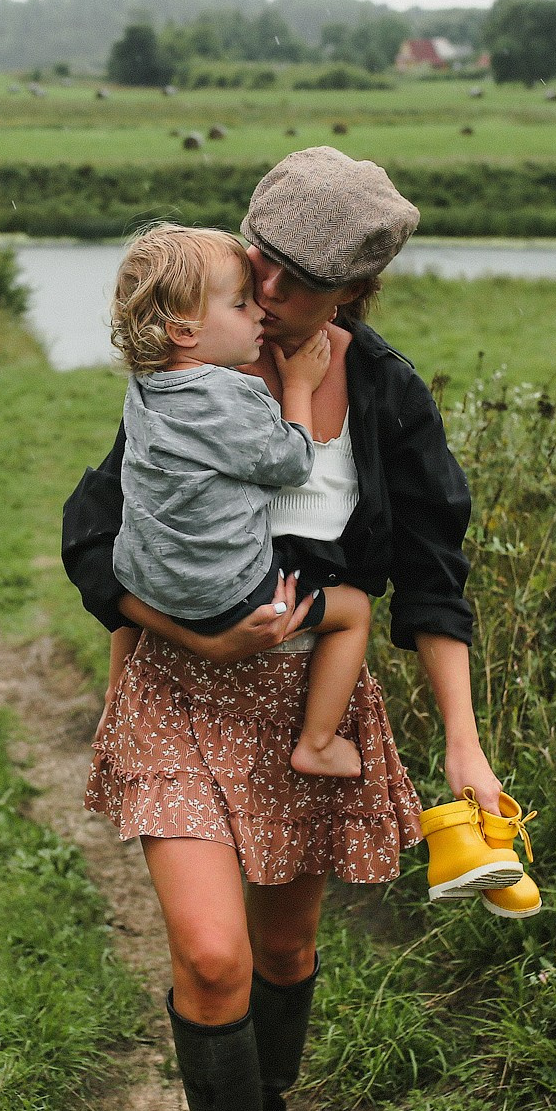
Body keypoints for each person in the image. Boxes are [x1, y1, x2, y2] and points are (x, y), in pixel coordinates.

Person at [63, 147, 537, 1111]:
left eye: (295, 283)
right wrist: (187, 631)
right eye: (255, 267)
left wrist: (463, 745)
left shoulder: (384, 395)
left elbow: (429, 581)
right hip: (179, 697)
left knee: (282, 948)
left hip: (304, 708)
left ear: (350, 293)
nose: (266, 298)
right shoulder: (196, 373)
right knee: (214, 952)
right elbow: (93, 538)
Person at [104, 223, 375, 781]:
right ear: (185, 330)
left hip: (146, 581)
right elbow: (292, 464)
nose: (258, 313)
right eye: (240, 303)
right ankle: (317, 743)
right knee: (354, 612)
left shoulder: (147, 386)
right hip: (227, 596)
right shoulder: (230, 398)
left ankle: (122, 695)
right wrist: (299, 385)